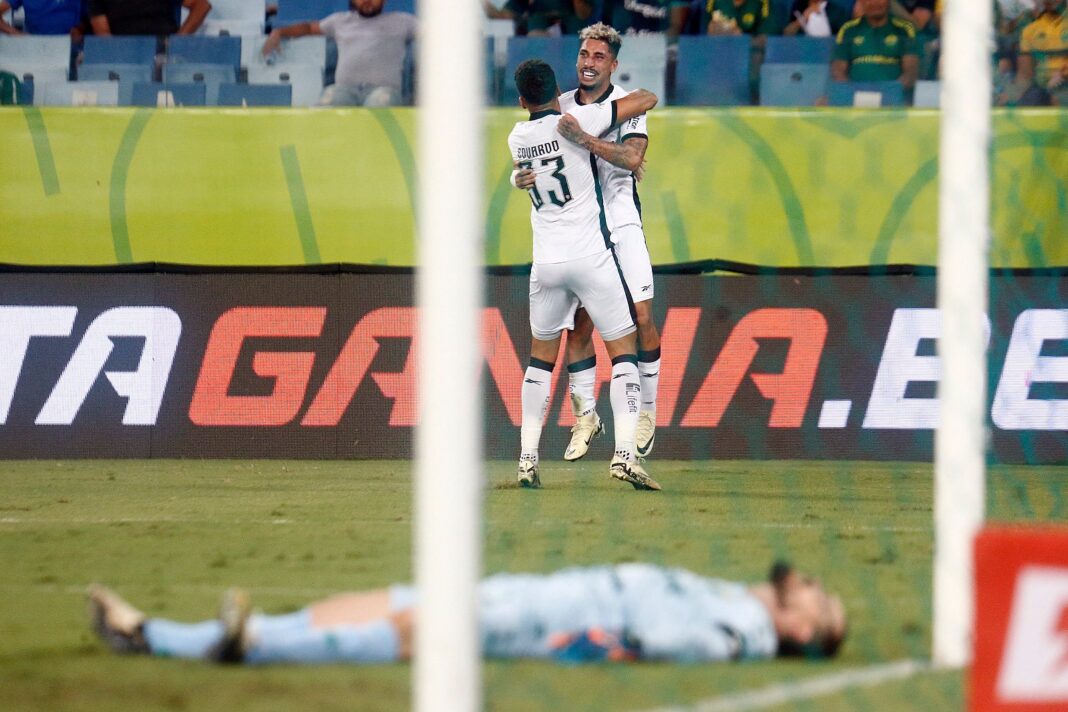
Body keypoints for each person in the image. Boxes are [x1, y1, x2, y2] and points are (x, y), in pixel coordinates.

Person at [88, 560, 847, 664]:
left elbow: (647, 639)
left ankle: (248, 647)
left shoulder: (736, 632)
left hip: (553, 615)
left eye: (819, 596)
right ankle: (151, 633)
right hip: (547, 587)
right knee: (361, 604)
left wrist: (569, 643)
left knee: (411, 631)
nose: (808, 581)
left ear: (802, 627)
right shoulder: (742, 602)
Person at [508, 59, 659, 491]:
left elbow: (527, 172)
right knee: (625, 353)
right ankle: (626, 455)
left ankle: (527, 459)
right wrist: (588, 134)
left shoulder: (516, 137)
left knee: (539, 362)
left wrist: (520, 177)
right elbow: (645, 99)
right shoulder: (581, 117)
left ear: (521, 101)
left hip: (546, 265)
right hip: (591, 257)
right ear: (559, 91)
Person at [260, 0, 416, 107]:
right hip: (345, 90)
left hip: (383, 90)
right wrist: (278, 32)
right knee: (328, 102)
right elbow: (308, 28)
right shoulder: (340, 21)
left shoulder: (403, 21)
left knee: (380, 102)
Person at [831, 0, 919, 91]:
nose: (874, 3)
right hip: (855, 98)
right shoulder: (848, 30)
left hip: (892, 99)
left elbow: (910, 72)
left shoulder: (905, 29)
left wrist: (891, 91)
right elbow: (838, 70)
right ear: (861, 2)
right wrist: (850, 92)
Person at [1010, 0, 1067, 105]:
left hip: (1064, 83)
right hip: (1042, 88)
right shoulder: (1030, 30)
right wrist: (1011, 95)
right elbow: (1025, 74)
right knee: (1031, 98)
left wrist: (1063, 75)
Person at [88, 0, 211, 36]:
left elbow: (201, 6)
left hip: (164, 54)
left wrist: (178, 41)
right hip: (124, 57)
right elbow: (103, 34)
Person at [481, 0, 594, 36]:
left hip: (572, 44)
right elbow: (503, 16)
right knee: (535, 21)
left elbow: (584, 14)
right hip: (539, 46)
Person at [0, 0, 86, 36]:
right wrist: (14, 33)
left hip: (71, 48)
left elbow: (93, 16)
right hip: (35, 46)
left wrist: (81, 29)